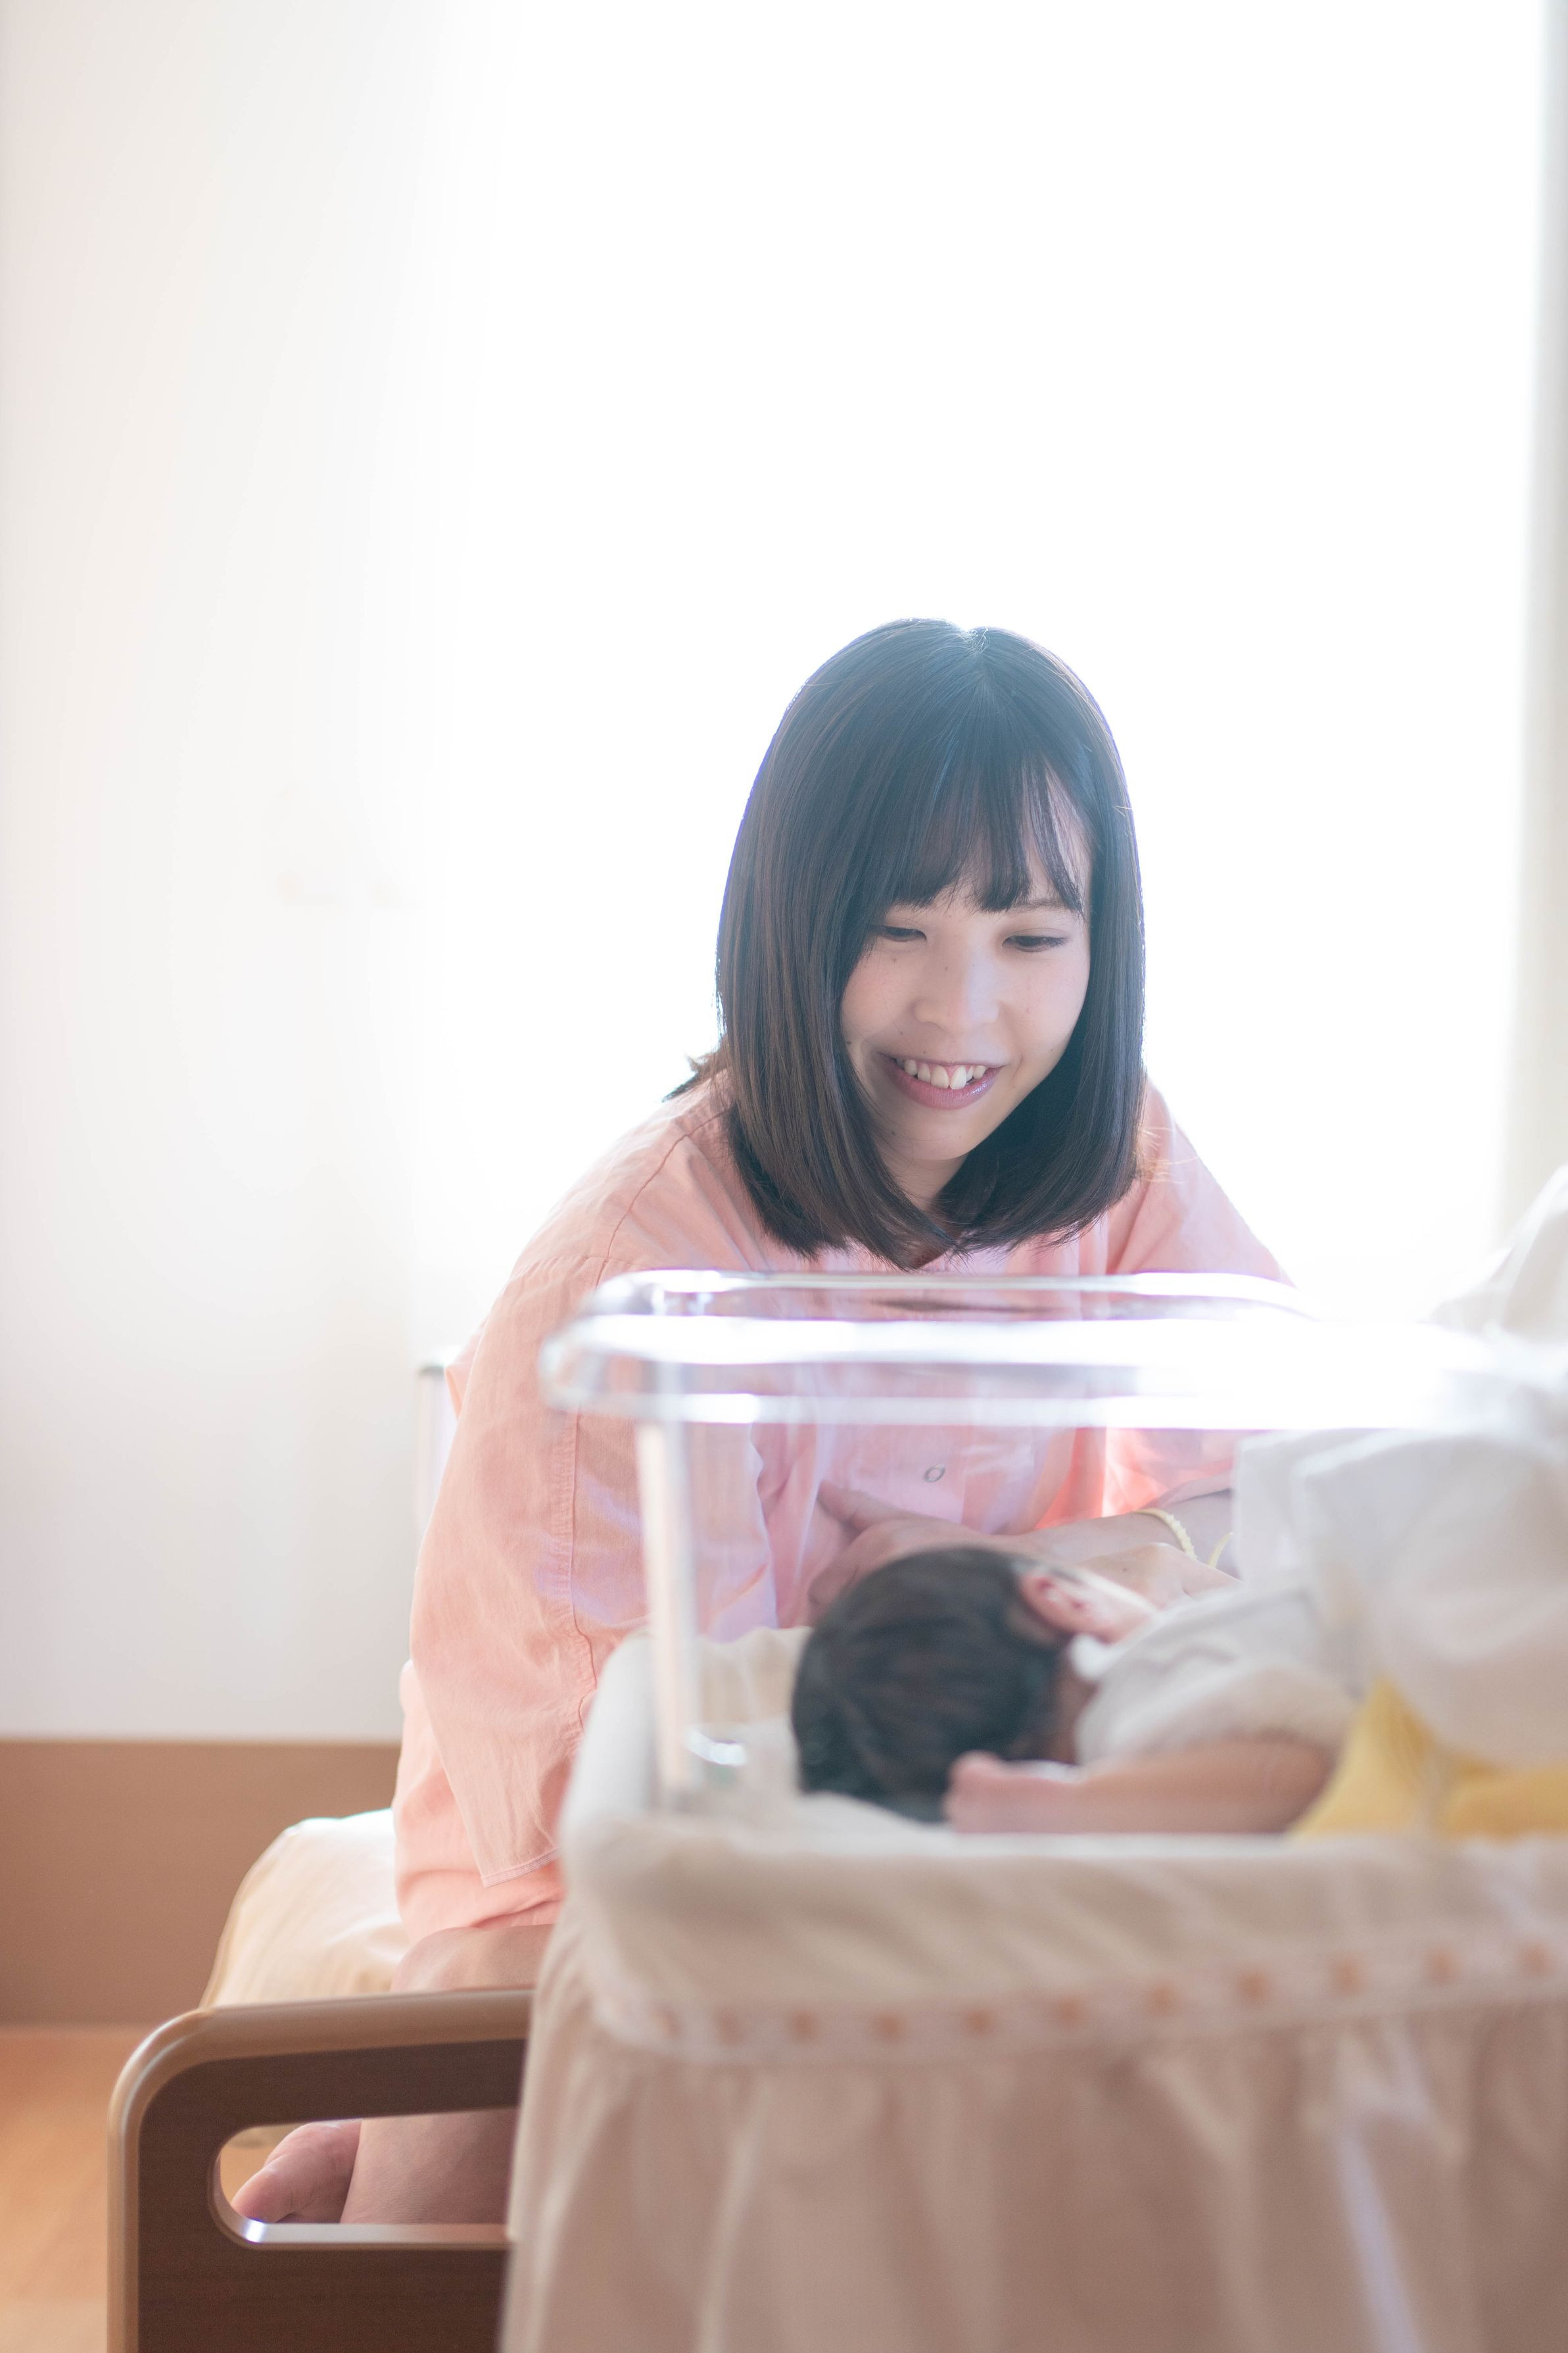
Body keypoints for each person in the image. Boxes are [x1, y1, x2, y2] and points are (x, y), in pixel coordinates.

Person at [237, 618, 1281, 2227]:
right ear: (791, 928)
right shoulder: (632, 1276)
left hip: (985, 1773)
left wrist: (1029, 1569)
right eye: (896, 926)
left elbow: (1294, 1488)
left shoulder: (1117, 1160)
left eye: (1028, 933)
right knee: (514, 2144)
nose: (962, 1008)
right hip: (610, 1846)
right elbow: (650, 1784)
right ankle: (365, 2173)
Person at [792, 1545, 1333, 1832]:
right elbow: (1290, 1775)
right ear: (1067, 1600)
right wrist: (1079, 1807)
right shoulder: (1137, 1683)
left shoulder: (1144, 1692)